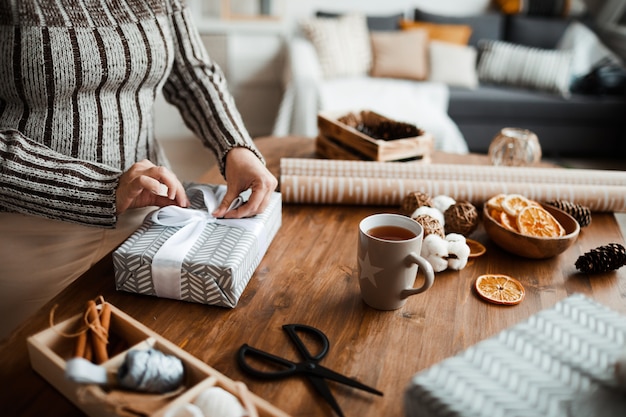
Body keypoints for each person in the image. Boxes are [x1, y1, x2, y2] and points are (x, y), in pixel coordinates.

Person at [0, 0, 278, 340]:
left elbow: (190, 72)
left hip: (152, 217)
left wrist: (236, 147)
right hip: (34, 232)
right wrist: (101, 189)